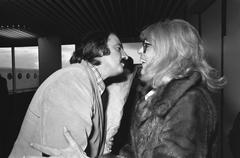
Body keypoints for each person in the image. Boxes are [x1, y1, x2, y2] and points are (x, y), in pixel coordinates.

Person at [25, 19, 226, 158]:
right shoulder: (157, 96)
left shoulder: (190, 102)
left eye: (146, 45)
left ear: (168, 51)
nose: (138, 51)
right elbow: (134, 152)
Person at [9, 31, 134, 158]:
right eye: (118, 48)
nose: (126, 56)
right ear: (99, 50)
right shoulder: (75, 80)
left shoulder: (93, 85)